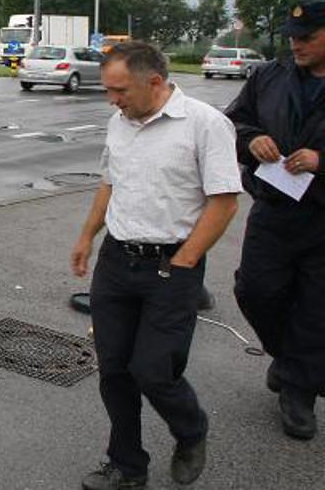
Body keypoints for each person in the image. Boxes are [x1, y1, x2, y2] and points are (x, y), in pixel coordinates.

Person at [70, 41, 241, 489]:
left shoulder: (205, 125)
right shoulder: (118, 121)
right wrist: (88, 236)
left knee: (154, 371)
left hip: (172, 266)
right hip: (117, 261)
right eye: (108, 91)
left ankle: (191, 431)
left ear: (156, 82)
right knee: (115, 371)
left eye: (120, 90)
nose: (113, 100)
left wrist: (184, 261)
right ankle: (127, 465)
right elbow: (110, 183)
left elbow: (223, 202)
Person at [227, 0, 325, 440]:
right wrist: (253, 140)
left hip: (322, 216)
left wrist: (323, 160)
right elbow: (232, 123)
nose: (296, 44)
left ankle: (299, 393)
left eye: (307, 37)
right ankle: (288, 360)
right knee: (255, 290)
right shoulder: (269, 76)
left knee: (315, 308)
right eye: (292, 36)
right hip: (273, 208)